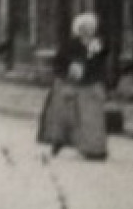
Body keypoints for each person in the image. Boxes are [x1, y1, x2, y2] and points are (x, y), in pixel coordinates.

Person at [37, 12, 111, 160]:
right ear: (79, 29)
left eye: (91, 27)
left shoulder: (98, 44)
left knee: (92, 119)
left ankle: (95, 150)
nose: (88, 30)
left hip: (90, 84)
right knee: (64, 117)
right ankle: (58, 143)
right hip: (70, 84)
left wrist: (96, 66)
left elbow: (102, 64)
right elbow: (58, 64)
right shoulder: (70, 45)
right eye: (85, 27)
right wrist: (70, 68)